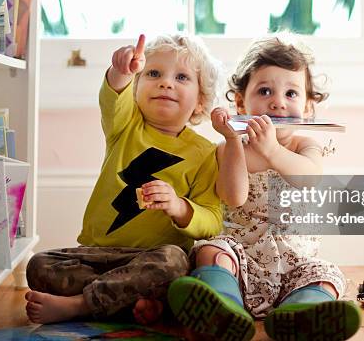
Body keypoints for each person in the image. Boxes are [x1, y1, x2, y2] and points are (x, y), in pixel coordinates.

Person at [168, 35, 362, 341]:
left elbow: (308, 178)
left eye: (291, 92)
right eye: (265, 90)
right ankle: (223, 308)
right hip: (242, 259)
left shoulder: (306, 145)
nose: (278, 101)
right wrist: (233, 141)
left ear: (308, 108)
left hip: (296, 264)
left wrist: (273, 151)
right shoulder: (229, 148)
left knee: (325, 277)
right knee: (210, 251)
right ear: (242, 102)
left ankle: (300, 314)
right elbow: (234, 196)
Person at [25, 34, 224, 325]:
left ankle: (79, 305)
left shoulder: (205, 154)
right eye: (153, 74)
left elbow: (213, 220)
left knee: (175, 264)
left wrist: (179, 206)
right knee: (39, 265)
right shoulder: (125, 126)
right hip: (95, 254)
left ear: (200, 101)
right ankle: (137, 302)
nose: (165, 82)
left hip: (151, 259)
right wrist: (121, 71)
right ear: (136, 88)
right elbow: (112, 96)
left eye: (182, 77)